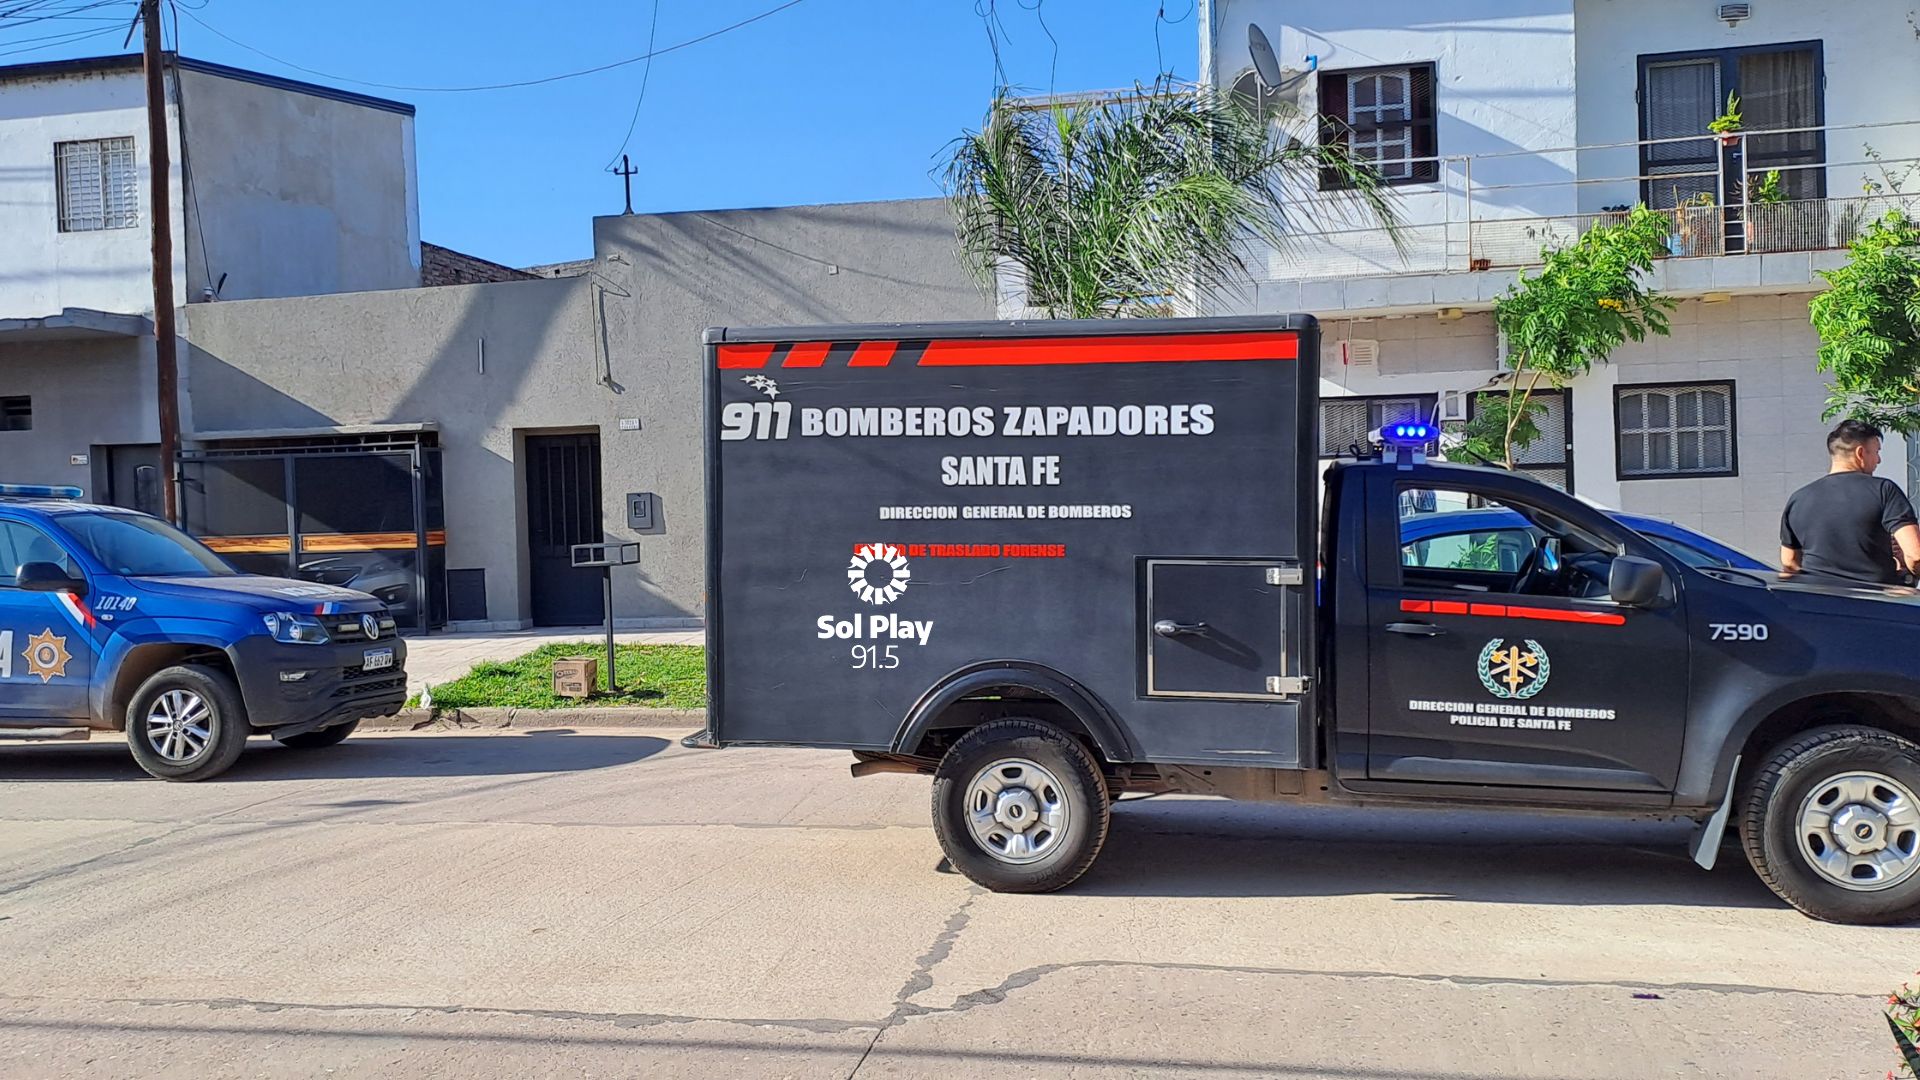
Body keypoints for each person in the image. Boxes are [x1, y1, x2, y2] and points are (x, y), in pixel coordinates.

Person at [1780, 419, 1920, 585]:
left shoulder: (1798, 499)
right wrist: (1908, 573)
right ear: (1860, 453)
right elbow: (1915, 555)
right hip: (1875, 602)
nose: (1879, 460)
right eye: (1876, 452)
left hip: (1818, 601)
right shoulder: (1884, 490)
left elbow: (1789, 563)